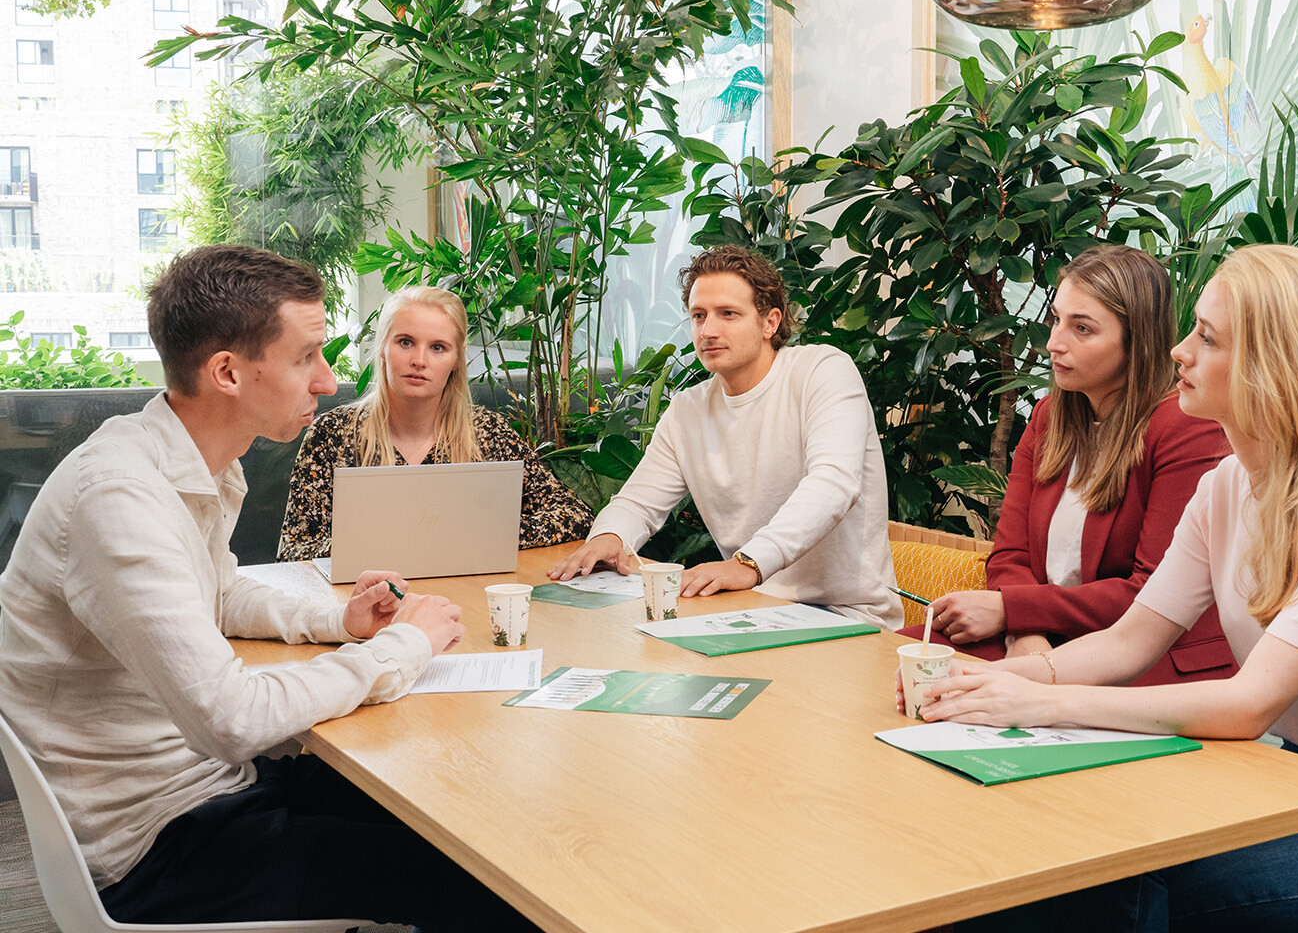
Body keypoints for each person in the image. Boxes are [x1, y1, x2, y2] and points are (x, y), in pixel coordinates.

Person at [915, 244, 1298, 932]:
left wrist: (1038, 699)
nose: (1178, 353)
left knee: (1127, 887)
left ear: (1273, 367)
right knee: (1072, 850)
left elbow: (1248, 706)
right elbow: (1133, 639)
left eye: (1208, 338)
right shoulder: (1226, 487)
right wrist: (1004, 681)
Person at [0, 245, 531, 930]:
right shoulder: (118, 498)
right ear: (227, 372)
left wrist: (344, 619)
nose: (329, 380)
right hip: (162, 848)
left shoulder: (185, 464)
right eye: (307, 356)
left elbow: (219, 595)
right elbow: (232, 719)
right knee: (490, 882)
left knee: (465, 810)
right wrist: (400, 649)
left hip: (212, 790)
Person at [900, 245, 1235, 685]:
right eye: (1057, 319)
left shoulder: (1185, 426)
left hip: (1145, 658)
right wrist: (1027, 631)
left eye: (1082, 329)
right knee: (902, 660)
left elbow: (1151, 591)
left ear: (1137, 341)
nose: (1055, 343)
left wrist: (1012, 611)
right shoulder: (1049, 416)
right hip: (1043, 637)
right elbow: (1010, 554)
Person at [547, 244, 900, 628]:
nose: (708, 331)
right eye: (698, 316)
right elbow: (638, 503)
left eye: (728, 314)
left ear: (770, 323)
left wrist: (749, 563)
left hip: (846, 617)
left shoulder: (823, 371)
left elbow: (834, 483)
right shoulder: (688, 411)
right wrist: (609, 538)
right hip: (750, 609)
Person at [278, 285, 593, 562]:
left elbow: (575, 516)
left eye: (438, 347)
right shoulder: (332, 434)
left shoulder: (490, 433)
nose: (419, 360)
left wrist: (483, 537)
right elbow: (293, 550)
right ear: (383, 349)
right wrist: (408, 544)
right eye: (405, 342)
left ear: (456, 359)